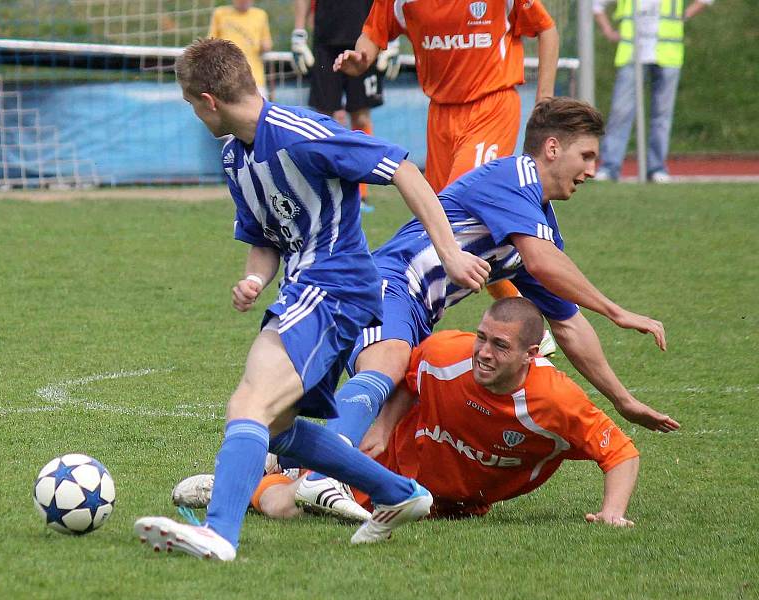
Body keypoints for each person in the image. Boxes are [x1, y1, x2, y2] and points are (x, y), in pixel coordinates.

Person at [174, 97, 679, 522]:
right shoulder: (514, 178)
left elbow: (567, 325)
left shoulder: (535, 221)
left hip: (416, 313)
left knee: (377, 442)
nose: (591, 170)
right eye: (586, 156)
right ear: (552, 149)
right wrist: (618, 312)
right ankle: (319, 477)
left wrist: (622, 399)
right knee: (388, 364)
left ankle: (259, 475)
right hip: (388, 285)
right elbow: (546, 263)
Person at [133, 38, 490, 562]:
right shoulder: (236, 156)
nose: (193, 112)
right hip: (304, 289)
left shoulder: (303, 134)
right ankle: (401, 494)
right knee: (275, 427)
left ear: (209, 100)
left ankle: (219, 535)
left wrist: (451, 252)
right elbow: (265, 237)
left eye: (191, 103)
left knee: (249, 401)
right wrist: (254, 279)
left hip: (335, 287)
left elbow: (404, 169)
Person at [174, 298, 642, 527]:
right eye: (482, 337)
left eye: (500, 346)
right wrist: (382, 423)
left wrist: (612, 513)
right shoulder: (445, 353)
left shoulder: (554, 402)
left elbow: (620, 452)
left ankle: (268, 466)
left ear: (531, 354)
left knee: (298, 492)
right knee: (284, 507)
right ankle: (244, 482)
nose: (482, 352)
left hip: (453, 503)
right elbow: (406, 375)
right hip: (390, 464)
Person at [334, 0, 560, 324]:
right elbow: (373, 34)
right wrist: (361, 59)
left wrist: (545, 102)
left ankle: (536, 317)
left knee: (465, 221)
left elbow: (546, 29)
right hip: (440, 114)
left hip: (492, 105)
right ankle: (528, 321)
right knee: (442, 228)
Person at [290, 0, 400, 211]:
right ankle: (322, 189)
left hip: (366, 42)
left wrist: (391, 37)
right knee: (322, 119)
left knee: (361, 117)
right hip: (325, 42)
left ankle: (361, 193)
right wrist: (298, 31)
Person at [593, 0, 714, 183]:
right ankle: (610, 167)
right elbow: (596, 5)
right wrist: (608, 30)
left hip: (667, 53)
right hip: (632, 53)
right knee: (621, 112)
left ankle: (656, 168)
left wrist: (686, 15)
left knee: (662, 115)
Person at [208, 0, 272, 96]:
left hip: (254, 78)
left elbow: (267, 43)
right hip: (226, 77)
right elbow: (210, 42)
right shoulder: (220, 13)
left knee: (257, 109)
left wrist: (265, 46)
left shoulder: (260, 15)